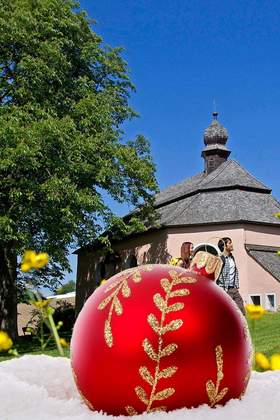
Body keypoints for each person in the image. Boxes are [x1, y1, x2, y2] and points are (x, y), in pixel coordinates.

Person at [217, 237, 246, 316]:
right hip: (225, 290)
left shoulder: (231, 257)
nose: (232, 244)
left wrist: (236, 286)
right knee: (227, 313)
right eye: (229, 243)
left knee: (241, 310)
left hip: (233, 288)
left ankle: (241, 327)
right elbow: (215, 275)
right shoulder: (220, 259)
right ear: (224, 246)